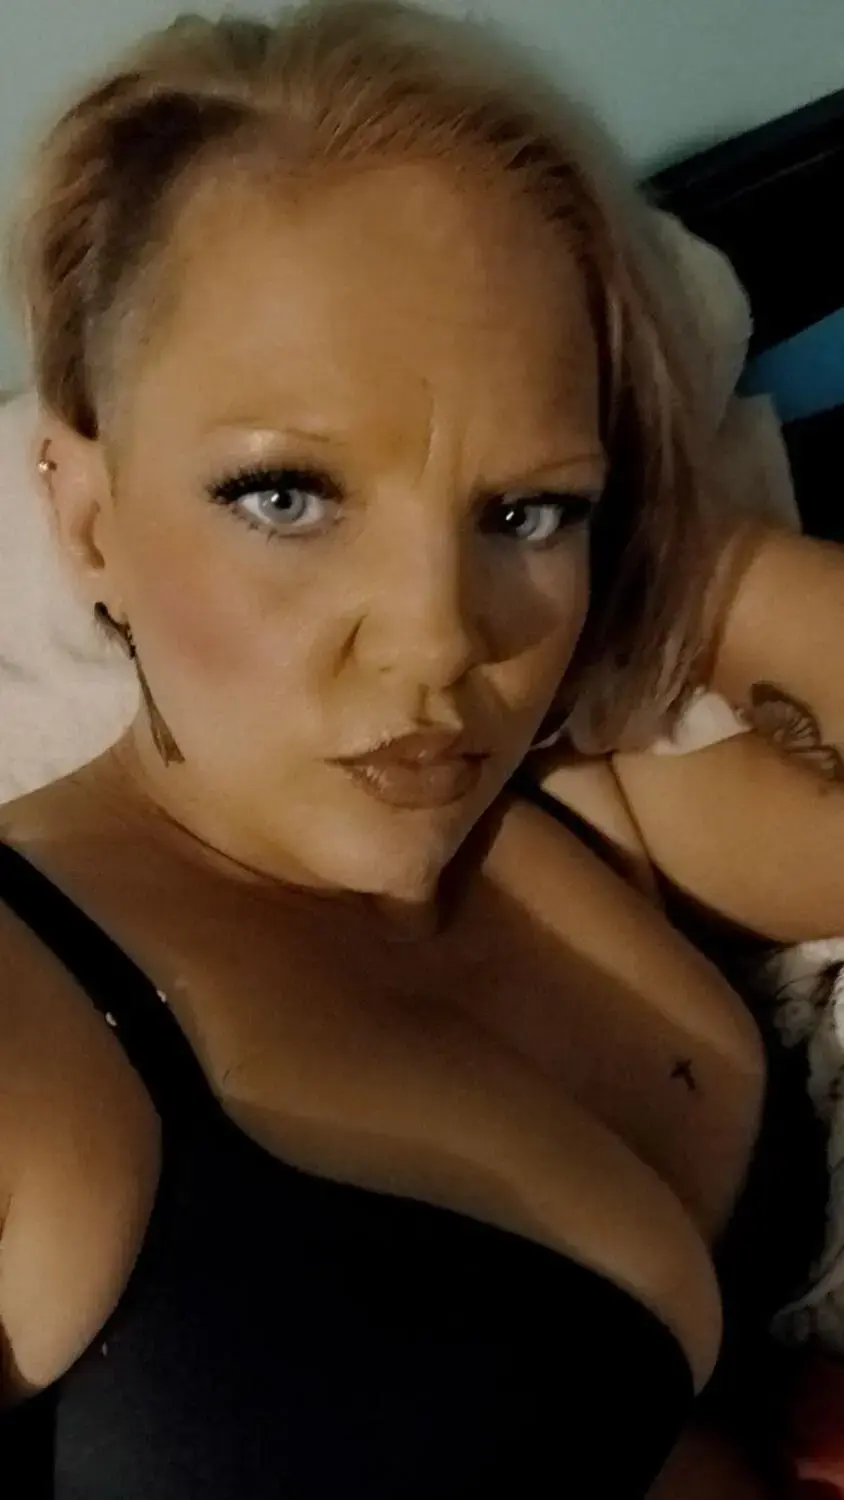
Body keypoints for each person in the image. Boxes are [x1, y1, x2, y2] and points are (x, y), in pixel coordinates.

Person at [0, 2, 841, 1494]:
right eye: (285, 497)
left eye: (525, 511)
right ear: (86, 518)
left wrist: (665, 543)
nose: (440, 642)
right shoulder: (29, 1006)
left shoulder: (573, 804)